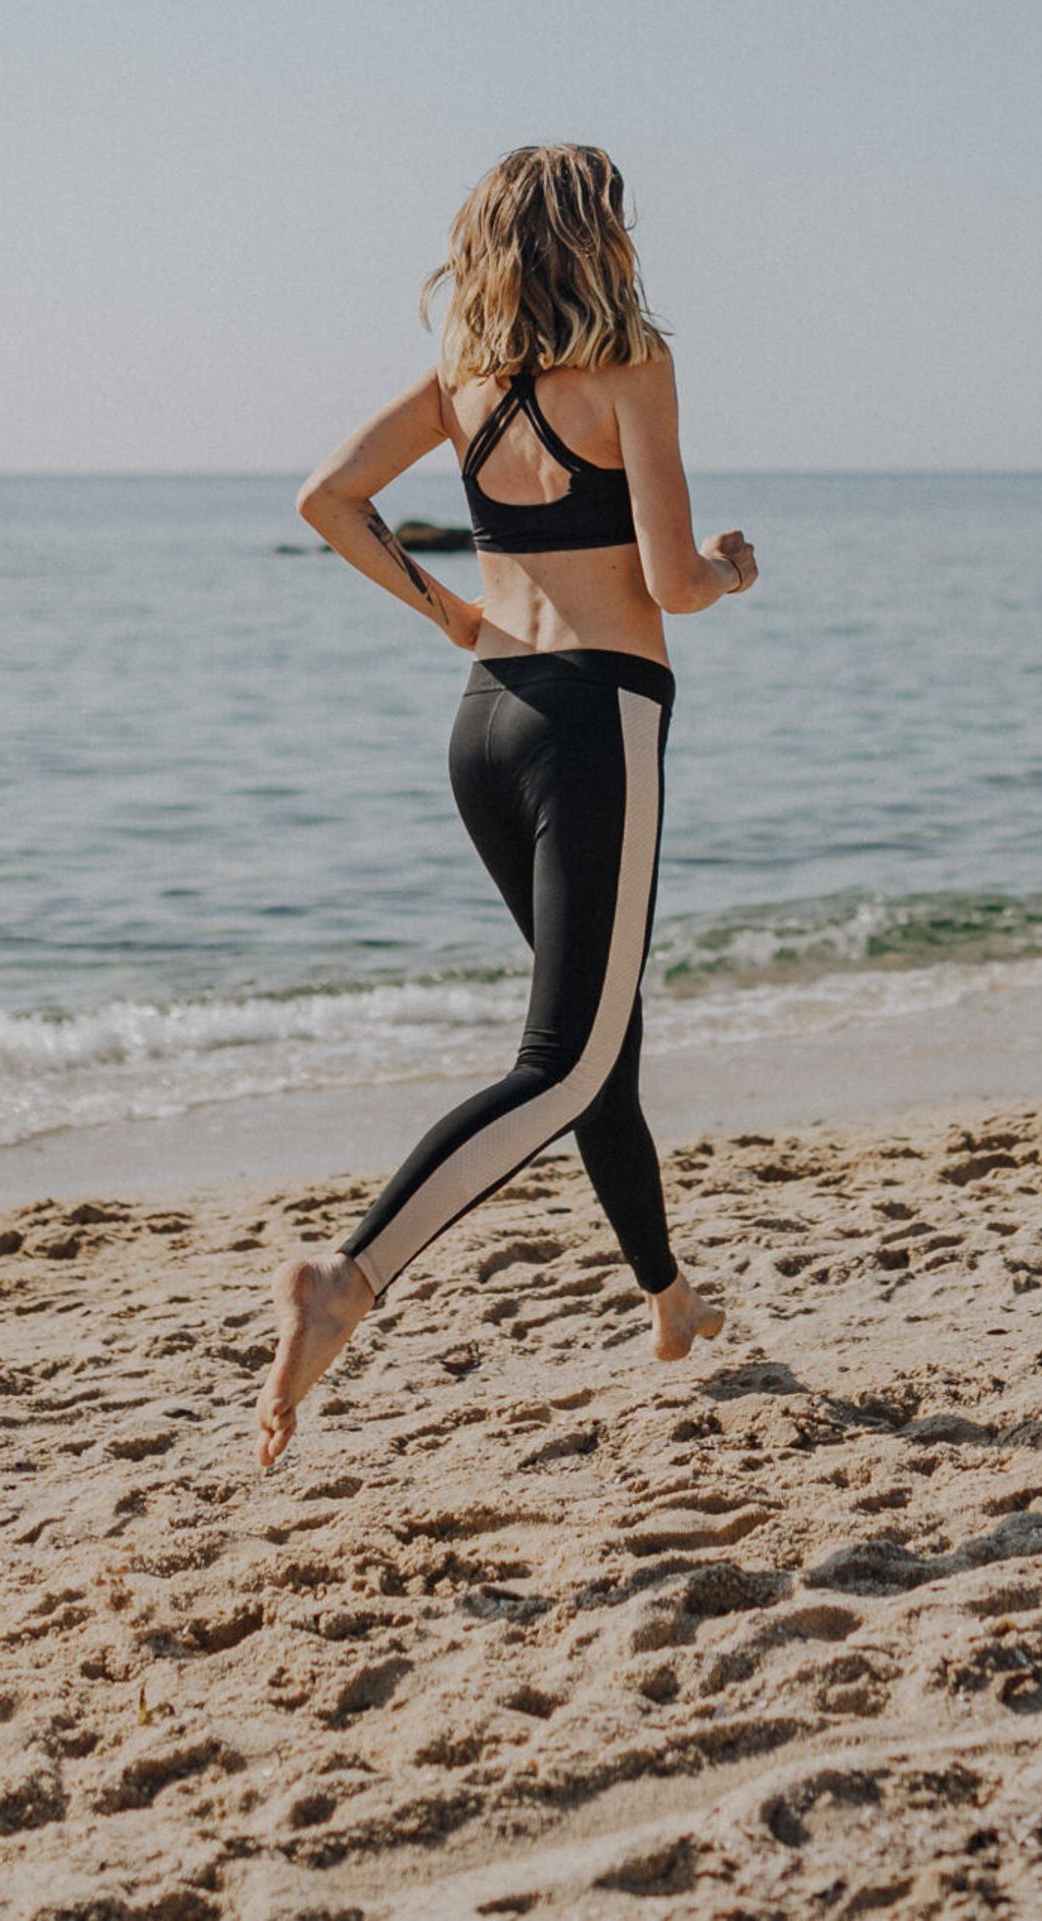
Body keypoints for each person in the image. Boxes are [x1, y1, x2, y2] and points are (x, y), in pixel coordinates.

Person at [256, 143, 760, 1469]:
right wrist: (726, 569)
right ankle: (346, 1286)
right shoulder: (632, 366)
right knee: (570, 1058)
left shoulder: (462, 380)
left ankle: (668, 1300)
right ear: (600, 236)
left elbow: (328, 499)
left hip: (485, 725)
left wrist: (447, 613)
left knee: (603, 1034)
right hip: (600, 720)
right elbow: (668, 576)